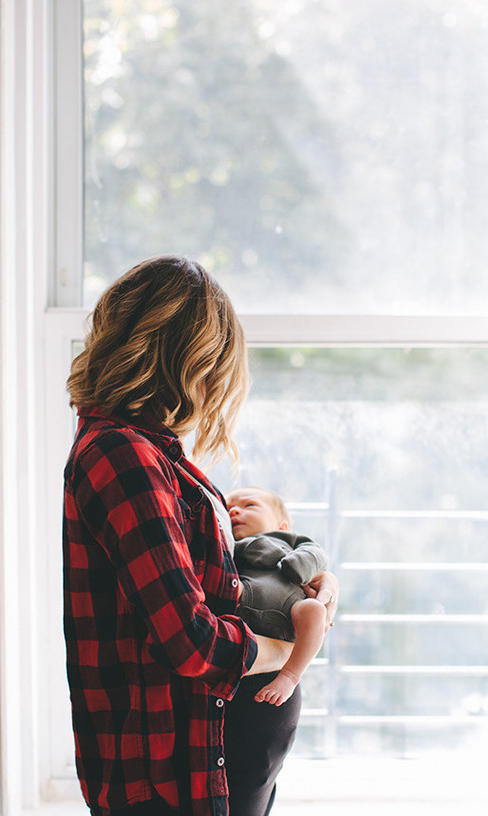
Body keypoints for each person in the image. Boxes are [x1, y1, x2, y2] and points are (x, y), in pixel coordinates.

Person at [63, 255, 338, 816]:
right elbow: (191, 643)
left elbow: (217, 587)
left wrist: (310, 584)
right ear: (190, 360)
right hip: (167, 782)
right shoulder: (125, 456)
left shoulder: (153, 452)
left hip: (200, 762)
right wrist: (287, 653)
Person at [225, 486, 329, 706]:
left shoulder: (290, 540)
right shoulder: (227, 547)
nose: (234, 511)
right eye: (228, 508)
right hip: (244, 605)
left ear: (281, 525)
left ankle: (290, 675)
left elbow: (317, 554)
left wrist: (298, 565)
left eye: (249, 505)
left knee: (314, 610)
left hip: (290, 610)